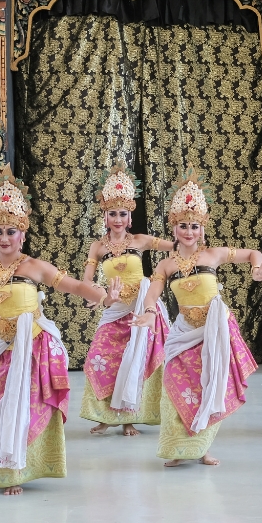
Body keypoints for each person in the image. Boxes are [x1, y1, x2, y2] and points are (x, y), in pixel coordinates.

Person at [0, 165, 122, 496]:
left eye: (11, 232)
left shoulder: (34, 267)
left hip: (34, 347)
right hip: (2, 349)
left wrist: (106, 296)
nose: (4, 239)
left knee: (26, 408)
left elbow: (76, 286)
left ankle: (17, 472)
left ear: (23, 233)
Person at [133, 164, 262, 467]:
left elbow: (252, 254)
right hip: (183, 333)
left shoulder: (214, 255)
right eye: (183, 225)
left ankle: (202, 449)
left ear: (202, 228)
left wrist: (257, 268)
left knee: (210, 386)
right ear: (174, 228)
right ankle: (176, 449)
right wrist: (146, 312)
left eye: (194, 226)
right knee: (174, 387)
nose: (189, 232)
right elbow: (154, 292)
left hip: (212, 330)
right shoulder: (165, 265)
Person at [79, 159, 174, 436]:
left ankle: (129, 418)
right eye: (112, 214)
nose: (117, 219)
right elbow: (86, 282)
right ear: (104, 216)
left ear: (130, 217)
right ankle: (106, 416)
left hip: (140, 310)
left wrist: (195, 234)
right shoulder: (97, 247)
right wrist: (106, 297)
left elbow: (179, 248)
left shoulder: (141, 241)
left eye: (122, 214)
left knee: (134, 360)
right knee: (100, 357)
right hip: (114, 310)